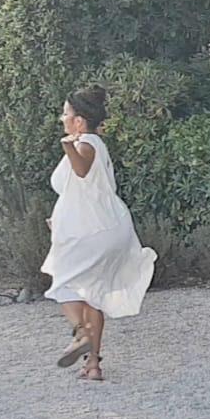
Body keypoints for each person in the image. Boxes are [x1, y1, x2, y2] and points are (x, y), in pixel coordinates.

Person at [42, 85, 157, 381]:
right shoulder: (93, 143)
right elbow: (80, 191)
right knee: (92, 295)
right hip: (104, 226)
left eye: (66, 114)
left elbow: (81, 170)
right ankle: (92, 364)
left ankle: (81, 332)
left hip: (89, 232)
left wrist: (68, 144)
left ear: (79, 120)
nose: (62, 118)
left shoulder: (86, 144)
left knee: (62, 283)